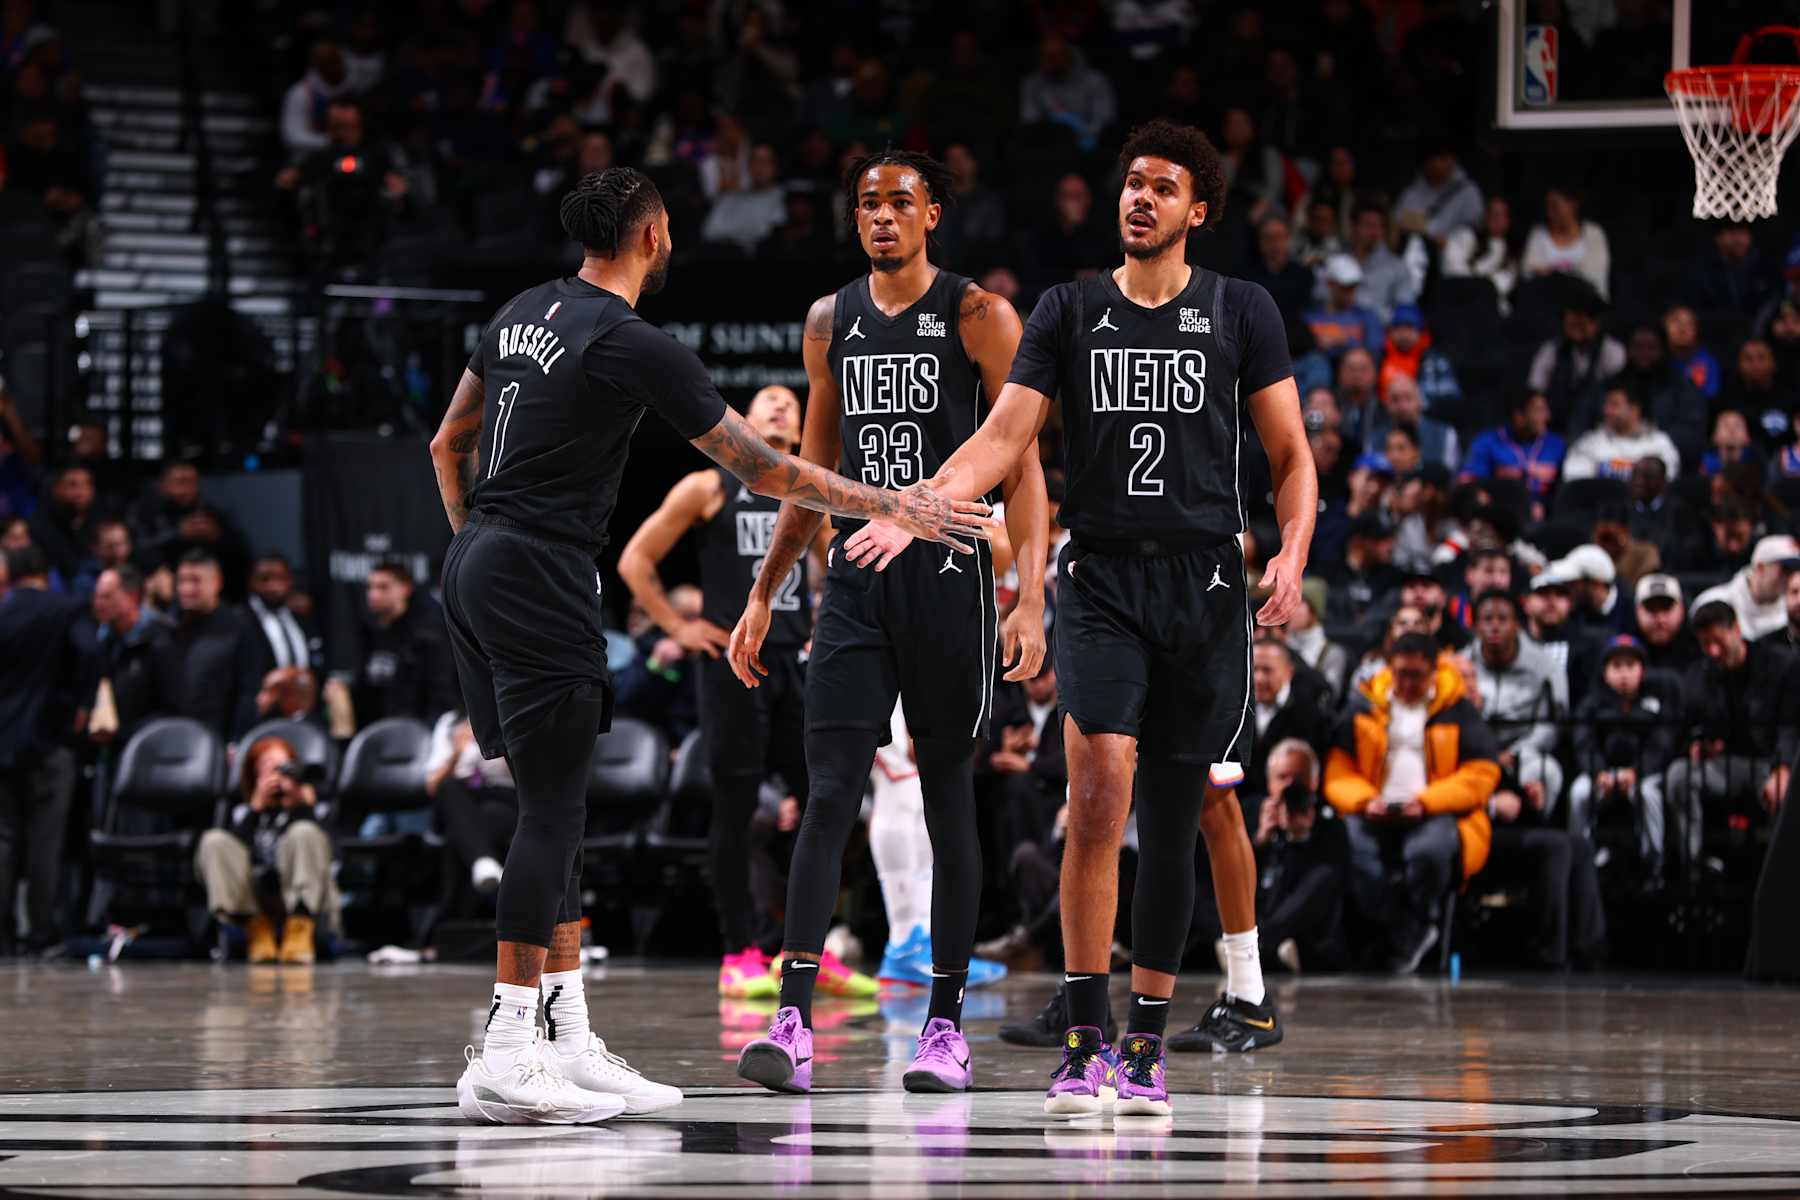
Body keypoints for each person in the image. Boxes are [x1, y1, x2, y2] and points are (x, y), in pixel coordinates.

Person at [428, 166, 986, 1125]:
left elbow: (448, 444)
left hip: (476, 560)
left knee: (557, 806)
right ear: (653, 237)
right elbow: (764, 468)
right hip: (540, 569)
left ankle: (566, 1036)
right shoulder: (631, 339)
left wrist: (480, 552)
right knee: (552, 814)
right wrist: (889, 500)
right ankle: (509, 1047)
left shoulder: (521, 309)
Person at [893, 120, 1318, 1114]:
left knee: (1174, 821)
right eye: (1132, 184)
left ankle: (1145, 1046)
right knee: (1098, 790)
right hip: (1101, 578)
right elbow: (1006, 433)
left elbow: (1291, 455)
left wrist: (1292, 552)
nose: (1140, 198)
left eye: (1163, 188)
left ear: (1196, 212)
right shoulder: (1068, 308)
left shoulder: (1242, 309)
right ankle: (1083, 1040)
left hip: (1207, 583)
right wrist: (924, 499)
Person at [728, 150, 1047, 1098]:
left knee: (948, 793)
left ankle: (944, 1026)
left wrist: (1031, 593)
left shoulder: (979, 315)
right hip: (855, 590)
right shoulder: (831, 322)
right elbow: (807, 474)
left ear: (933, 214)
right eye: (866, 202)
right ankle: (791, 1021)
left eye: (898, 201)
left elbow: (1023, 464)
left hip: (950, 583)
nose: (879, 215)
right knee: (830, 793)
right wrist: (763, 590)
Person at [616, 385, 821, 1000]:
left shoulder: (810, 486)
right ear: (745, 419)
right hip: (736, 663)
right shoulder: (708, 487)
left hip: (797, 663)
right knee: (734, 807)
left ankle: (806, 951)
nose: (782, 407)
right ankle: (740, 950)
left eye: (792, 401)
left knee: (821, 804)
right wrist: (678, 626)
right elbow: (635, 561)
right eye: (768, 400)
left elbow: (837, 567)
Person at [1325, 634, 1500, 973]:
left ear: (1434, 672)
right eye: (1400, 672)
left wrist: (1427, 802)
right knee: (1351, 847)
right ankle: (1389, 932)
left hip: (1433, 812)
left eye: (1416, 675)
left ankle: (1418, 927)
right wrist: (1363, 801)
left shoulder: (1458, 709)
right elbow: (1338, 769)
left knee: (1430, 852)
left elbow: (1482, 772)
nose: (1406, 682)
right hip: (1374, 810)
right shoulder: (1364, 706)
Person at [1180, 738, 1348, 994]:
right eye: (1282, 777)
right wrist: (1259, 841)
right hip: (1254, 911)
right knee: (1196, 880)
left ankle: (1251, 948)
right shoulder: (1249, 810)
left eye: (1298, 777)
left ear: (1314, 781)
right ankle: (1258, 948)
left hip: (1291, 920)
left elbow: (1325, 887)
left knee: (1323, 878)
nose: (1289, 785)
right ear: (1270, 780)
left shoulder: (1328, 819)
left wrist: (1298, 839)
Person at [0, 544, 90, 956]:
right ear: (45, 571)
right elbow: (90, 652)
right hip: (48, 740)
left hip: (3, 740)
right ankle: (41, 931)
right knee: (44, 839)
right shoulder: (65, 610)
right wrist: (80, 705)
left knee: (3, 839)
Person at [1665, 601, 1800, 875]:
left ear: (1736, 629)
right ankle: (1694, 868)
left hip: (1768, 763)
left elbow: (1791, 725)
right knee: (1680, 775)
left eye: (1718, 641)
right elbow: (1686, 727)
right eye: (1705, 644)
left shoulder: (1780, 665)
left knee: (1784, 793)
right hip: (1723, 765)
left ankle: (1783, 875)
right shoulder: (1699, 675)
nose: (1713, 651)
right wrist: (1697, 745)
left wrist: (1784, 768)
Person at [194, 735, 338, 965]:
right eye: (269, 770)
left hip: (304, 901)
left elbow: (330, 856)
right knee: (214, 840)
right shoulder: (242, 812)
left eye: (285, 769)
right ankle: (256, 930)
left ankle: (300, 927)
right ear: (254, 775)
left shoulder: (311, 808)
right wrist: (256, 808)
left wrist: (301, 807)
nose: (278, 778)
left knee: (304, 832)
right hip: (257, 902)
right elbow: (232, 858)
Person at [1570, 635, 1678, 879]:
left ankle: (1654, 861)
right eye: (1616, 667)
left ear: (1642, 670)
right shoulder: (1592, 704)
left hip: (1644, 774)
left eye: (1630, 666)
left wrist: (1637, 772)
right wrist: (1598, 772)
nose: (1624, 674)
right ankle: (1580, 858)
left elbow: (1661, 744)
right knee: (1579, 794)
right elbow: (1583, 743)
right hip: (1602, 774)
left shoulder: (1656, 703)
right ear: (1605, 672)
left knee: (1649, 794)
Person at [1470, 591, 1567, 815]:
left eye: (1502, 619)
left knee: (1548, 771)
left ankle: (1536, 829)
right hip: (1474, 754)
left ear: (1517, 625)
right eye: (1487, 619)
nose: (1494, 626)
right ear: (1475, 626)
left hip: (1525, 753)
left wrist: (1516, 753)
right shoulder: (1462, 664)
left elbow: (1551, 723)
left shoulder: (1545, 666)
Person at [151, 550, 264, 743]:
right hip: (171, 738)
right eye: (182, 581)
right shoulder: (167, 629)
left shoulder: (239, 627)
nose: (186, 589)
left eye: (195, 581)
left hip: (218, 740)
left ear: (216, 582)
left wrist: (237, 740)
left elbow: (248, 692)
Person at [339, 559, 460, 729]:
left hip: (417, 730)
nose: (373, 594)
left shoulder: (427, 635)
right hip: (374, 731)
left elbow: (441, 694)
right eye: (370, 587)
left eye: (383, 587)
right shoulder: (368, 634)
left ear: (405, 589)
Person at [425, 712, 515, 899]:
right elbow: (432, 786)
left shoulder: (511, 710)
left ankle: (453, 910)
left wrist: (498, 745)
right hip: (463, 797)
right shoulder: (449, 722)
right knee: (449, 787)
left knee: (461, 828)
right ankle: (484, 862)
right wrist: (456, 752)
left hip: (504, 796)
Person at [1242, 639, 1333, 797]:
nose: (1259, 678)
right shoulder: (1235, 711)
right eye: (1254, 669)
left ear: (1289, 671)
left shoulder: (1311, 715)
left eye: (1267, 670)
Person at [1562, 382, 1682, 482]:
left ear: (1634, 410)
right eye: (1606, 404)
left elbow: (1666, 482)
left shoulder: (1659, 443)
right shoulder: (1591, 442)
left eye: (1614, 405)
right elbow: (1575, 483)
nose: (1606, 411)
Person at [1522, 184, 1610, 299]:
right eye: (1547, 207)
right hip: (1547, 305)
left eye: (1555, 206)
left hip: (1585, 306)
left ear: (1572, 205)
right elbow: (1528, 273)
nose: (1550, 213)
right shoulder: (1538, 234)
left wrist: (1550, 273)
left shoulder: (1593, 233)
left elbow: (1593, 277)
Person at [1715, 534, 1799, 642]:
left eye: (1795, 571)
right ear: (1760, 568)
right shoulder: (1717, 603)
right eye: (1785, 570)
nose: (1791, 578)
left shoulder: (1794, 610)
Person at [245, 554, 318, 674]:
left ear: (290, 580)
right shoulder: (242, 620)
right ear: (251, 581)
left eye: (280, 578)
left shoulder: (300, 616)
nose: (273, 586)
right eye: (265, 579)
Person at [1633, 573, 1699, 677]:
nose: (1660, 619)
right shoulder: (1624, 650)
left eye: (1666, 607)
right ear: (1637, 611)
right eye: (1651, 608)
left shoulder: (1702, 648)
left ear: (1681, 609)